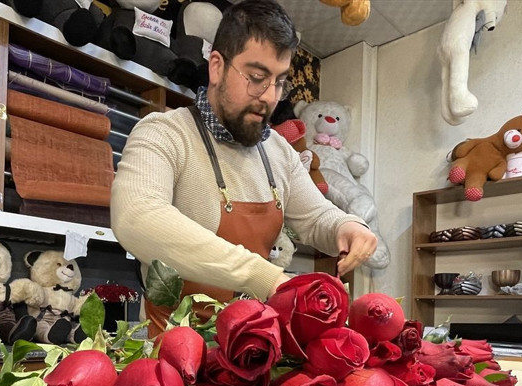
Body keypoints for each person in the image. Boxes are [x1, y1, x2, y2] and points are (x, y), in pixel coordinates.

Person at [110, 0, 377, 335]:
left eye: (279, 82)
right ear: (217, 66)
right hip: (173, 356)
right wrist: (263, 277)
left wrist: (348, 226)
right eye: (256, 77)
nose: (269, 96)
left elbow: (317, 216)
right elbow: (137, 217)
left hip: (252, 348)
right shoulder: (164, 133)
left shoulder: (279, 150)